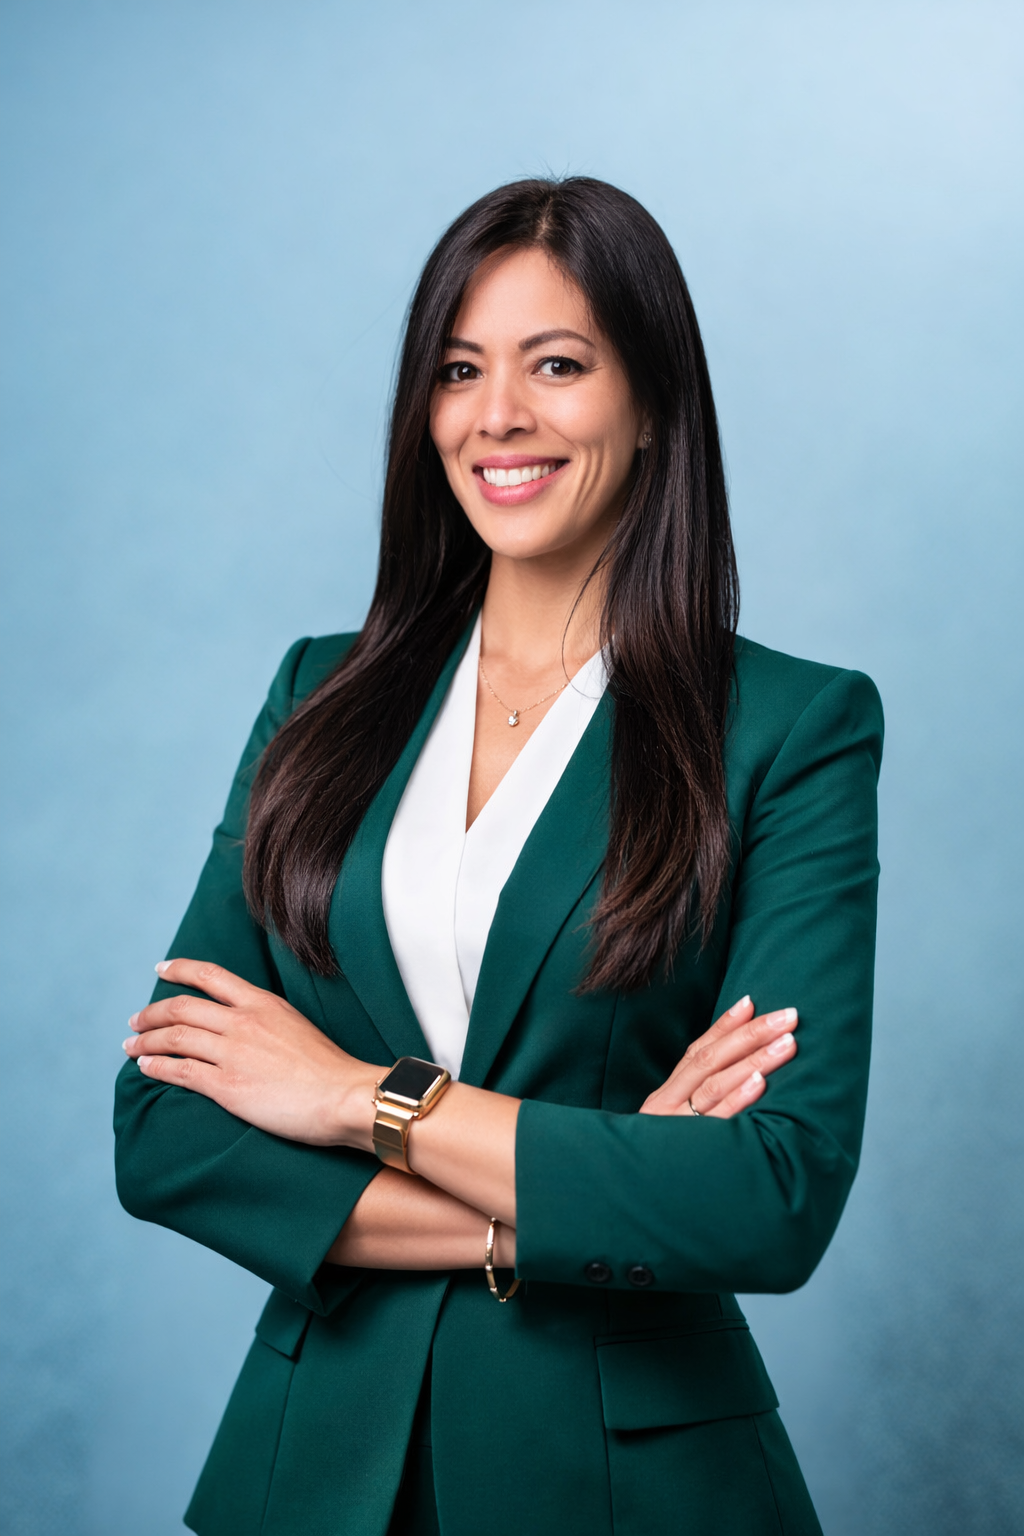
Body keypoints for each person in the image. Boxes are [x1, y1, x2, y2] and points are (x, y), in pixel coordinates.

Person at [113, 177, 882, 1536]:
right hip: (311, 1474)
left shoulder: (793, 729)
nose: (498, 416)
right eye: (460, 370)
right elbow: (167, 1132)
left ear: (653, 407)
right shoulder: (318, 693)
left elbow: (769, 1194)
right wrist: (586, 1195)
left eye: (559, 365)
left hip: (629, 1481)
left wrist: (358, 1099)